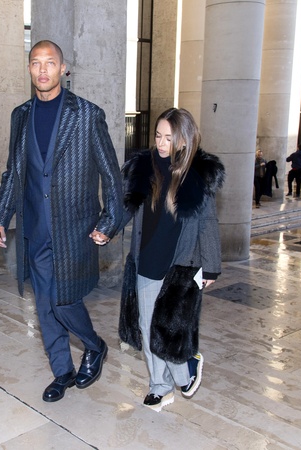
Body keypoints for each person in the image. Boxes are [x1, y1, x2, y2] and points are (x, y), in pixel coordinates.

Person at [0, 40, 123, 403]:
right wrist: (1, 215)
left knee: (63, 302)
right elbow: (14, 171)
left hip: (74, 229)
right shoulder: (20, 115)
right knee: (45, 306)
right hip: (35, 227)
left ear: (63, 68)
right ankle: (62, 372)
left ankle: (94, 346)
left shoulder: (87, 115)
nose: (43, 70)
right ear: (29, 69)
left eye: (50, 63)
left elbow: (112, 176)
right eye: (36, 63)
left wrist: (109, 222)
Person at [118, 108, 225, 412]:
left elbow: (207, 222)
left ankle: (184, 369)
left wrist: (211, 266)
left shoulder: (198, 175)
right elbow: (126, 207)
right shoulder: (145, 168)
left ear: (184, 140)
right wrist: (106, 228)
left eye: (169, 138)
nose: (161, 143)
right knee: (146, 326)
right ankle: (160, 386)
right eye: (158, 136)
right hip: (147, 258)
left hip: (181, 264)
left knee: (168, 329)